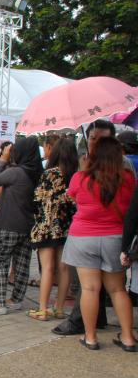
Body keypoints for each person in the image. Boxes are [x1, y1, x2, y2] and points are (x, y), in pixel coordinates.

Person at [62, 137, 136, 351]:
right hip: (115, 237)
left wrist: (84, 168)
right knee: (118, 289)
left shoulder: (80, 177)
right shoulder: (128, 179)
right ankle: (128, 338)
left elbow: (73, 198)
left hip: (83, 237)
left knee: (90, 288)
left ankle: (91, 337)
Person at [53, 120, 121, 335]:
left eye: (102, 140)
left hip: (96, 235)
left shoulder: (121, 168)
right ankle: (105, 326)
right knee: (106, 287)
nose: (96, 143)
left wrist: (83, 174)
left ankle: (83, 327)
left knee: (91, 286)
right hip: (105, 236)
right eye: (92, 138)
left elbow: (79, 199)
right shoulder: (85, 166)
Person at [0, 137, 43, 315]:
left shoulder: (16, 172)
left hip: (6, 223)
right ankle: (16, 299)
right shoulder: (38, 173)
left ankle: (0, 303)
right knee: (22, 264)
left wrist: (3, 160)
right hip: (27, 226)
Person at [27, 138, 78, 321]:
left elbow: (37, 200)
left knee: (48, 268)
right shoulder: (76, 176)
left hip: (47, 226)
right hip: (68, 227)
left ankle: (42, 309)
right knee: (64, 268)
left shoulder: (49, 174)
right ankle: (59, 308)